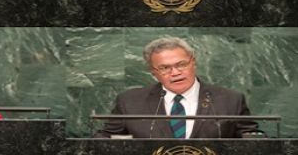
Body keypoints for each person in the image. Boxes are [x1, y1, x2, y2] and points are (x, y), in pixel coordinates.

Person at [96, 37, 261, 138]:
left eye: (181, 64)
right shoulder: (130, 102)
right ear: (154, 72)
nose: (175, 72)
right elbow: (109, 137)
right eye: (165, 68)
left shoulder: (231, 100)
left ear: (193, 62)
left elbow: (250, 138)